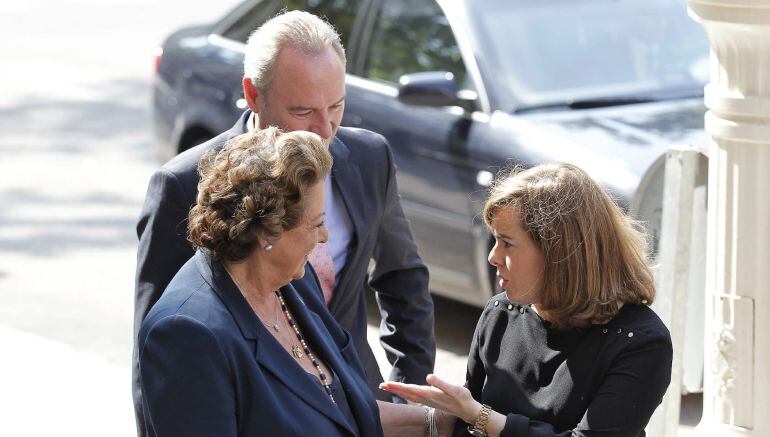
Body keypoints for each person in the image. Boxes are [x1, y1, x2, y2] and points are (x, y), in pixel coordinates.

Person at [133, 10, 435, 433]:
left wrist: (413, 399)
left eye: (337, 106)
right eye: (303, 111)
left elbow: (403, 280)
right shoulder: (185, 184)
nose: (325, 129)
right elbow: (160, 358)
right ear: (253, 96)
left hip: (357, 403)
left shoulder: (371, 157)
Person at [140, 128, 448, 437]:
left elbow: (343, 411)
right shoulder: (188, 334)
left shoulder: (293, 281)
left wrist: (446, 422)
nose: (324, 237)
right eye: (316, 224)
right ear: (266, 231)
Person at [381, 163, 673, 437]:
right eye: (494, 240)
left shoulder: (640, 343)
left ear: (559, 253)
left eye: (507, 243)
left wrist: (479, 416)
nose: (493, 257)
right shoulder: (500, 313)